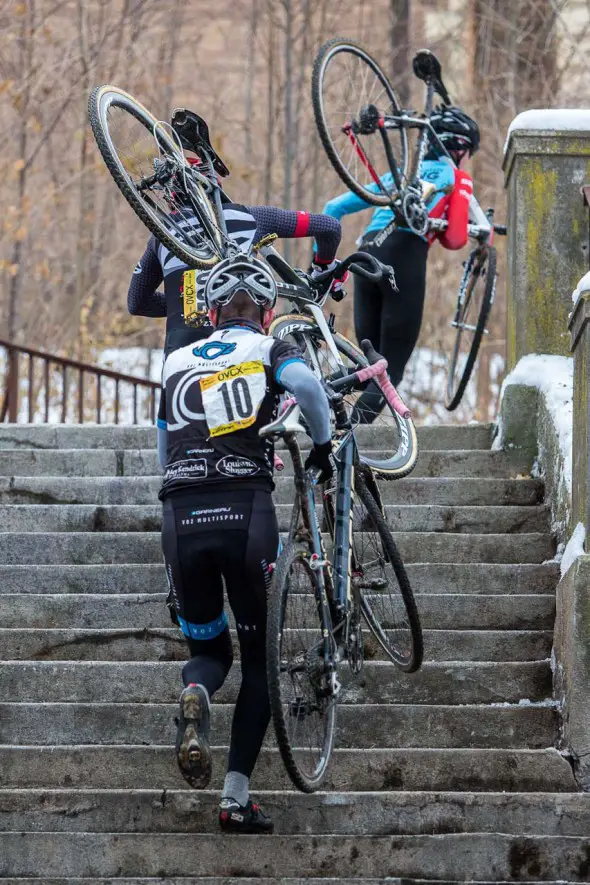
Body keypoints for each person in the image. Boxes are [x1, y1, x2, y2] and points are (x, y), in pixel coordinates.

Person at [159, 253, 333, 834]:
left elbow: (163, 450)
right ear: (266, 311)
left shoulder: (177, 360)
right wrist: (324, 446)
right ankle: (235, 797)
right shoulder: (267, 347)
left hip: (180, 517)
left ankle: (197, 693)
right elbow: (307, 385)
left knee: (210, 654)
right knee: (261, 659)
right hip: (245, 511)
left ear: (209, 312)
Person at [127, 108, 347, 464]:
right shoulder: (248, 217)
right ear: (212, 185)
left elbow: (136, 302)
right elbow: (329, 228)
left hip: (181, 367)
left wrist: (186, 303)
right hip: (243, 354)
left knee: (183, 458)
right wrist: (324, 266)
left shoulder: (161, 237)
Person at [322, 105, 480, 422]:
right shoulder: (456, 177)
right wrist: (462, 191)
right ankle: (347, 441)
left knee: (368, 364)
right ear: (459, 148)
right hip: (403, 256)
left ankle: (313, 411)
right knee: (388, 370)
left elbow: (332, 208)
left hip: (364, 255)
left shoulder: (399, 175)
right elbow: (456, 239)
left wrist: (323, 264)